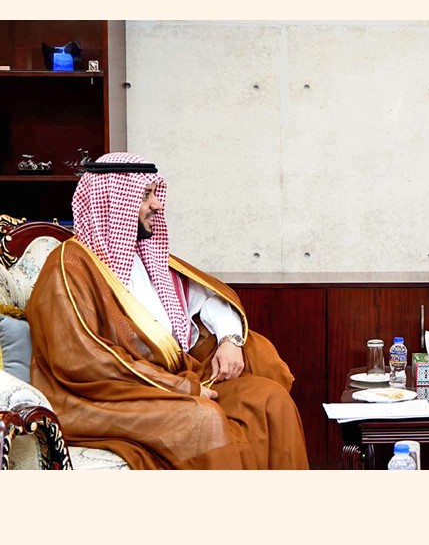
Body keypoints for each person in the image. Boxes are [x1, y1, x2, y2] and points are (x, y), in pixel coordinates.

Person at [27, 152, 309, 469]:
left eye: (154, 194)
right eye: (145, 195)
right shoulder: (69, 267)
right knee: (202, 420)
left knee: (270, 398)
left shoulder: (148, 257)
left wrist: (230, 340)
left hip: (169, 381)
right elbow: (83, 362)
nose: (157, 204)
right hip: (103, 396)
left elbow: (208, 300)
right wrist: (183, 389)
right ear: (112, 202)